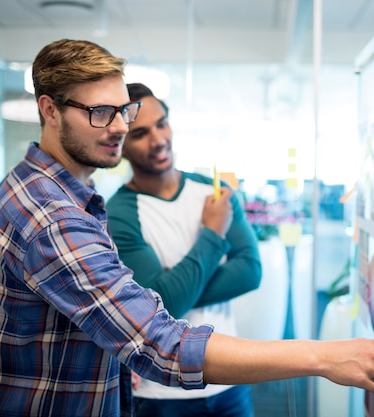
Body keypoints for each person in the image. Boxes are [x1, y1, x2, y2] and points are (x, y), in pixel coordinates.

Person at [0, 38, 374, 417]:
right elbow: (160, 336)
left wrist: (161, 296)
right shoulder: (55, 216)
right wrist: (325, 356)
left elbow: (247, 272)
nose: (119, 129)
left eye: (122, 111)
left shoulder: (61, 195)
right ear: (49, 110)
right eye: (99, 113)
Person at [106, 82, 261, 417]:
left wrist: (163, 295)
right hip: (162, 393)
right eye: (141, 133)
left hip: (230, 381)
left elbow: (250, 271)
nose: (159, 139)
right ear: (121, 144)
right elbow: (169, 300)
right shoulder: (118, 213)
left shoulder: (214, 192)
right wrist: (212, 233)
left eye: (162, 124)